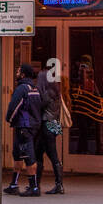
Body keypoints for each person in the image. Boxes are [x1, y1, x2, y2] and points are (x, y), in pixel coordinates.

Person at [4, 63, 44, 196]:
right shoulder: (35, 89)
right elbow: (40, 108)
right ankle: (14, 184)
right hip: (32, 126)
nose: (16, 73)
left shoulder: (22, 89)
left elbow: (14, 107)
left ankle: (34, 187)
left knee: (28, 156)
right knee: (18, 155)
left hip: (23, 126)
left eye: (18, 71)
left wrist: (9, 119)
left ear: (23, 74)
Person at [35, 64, 67, 195]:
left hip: (46, 124)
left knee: (44, 154)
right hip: (54, 123)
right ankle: (56, 184)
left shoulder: (46, 94)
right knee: (50, 153)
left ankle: (38, 183)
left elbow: (39, 107)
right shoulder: (56, 92)